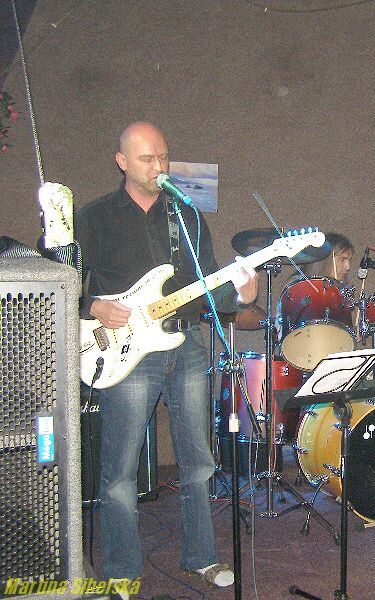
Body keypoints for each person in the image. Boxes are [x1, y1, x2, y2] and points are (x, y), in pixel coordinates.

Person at [75, 122, 258, 594]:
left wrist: (241, 293)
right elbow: (60, 280)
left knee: (198, 461)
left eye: (162, 156)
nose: (158, 166)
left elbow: (207, 286)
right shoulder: (93, 217)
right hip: (125, 349)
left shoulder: (186, 215)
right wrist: (92, 306)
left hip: (187, 344)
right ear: (121, 162)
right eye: (146, 159)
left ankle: (201, 557)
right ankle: (121, 571)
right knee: (120, 470)